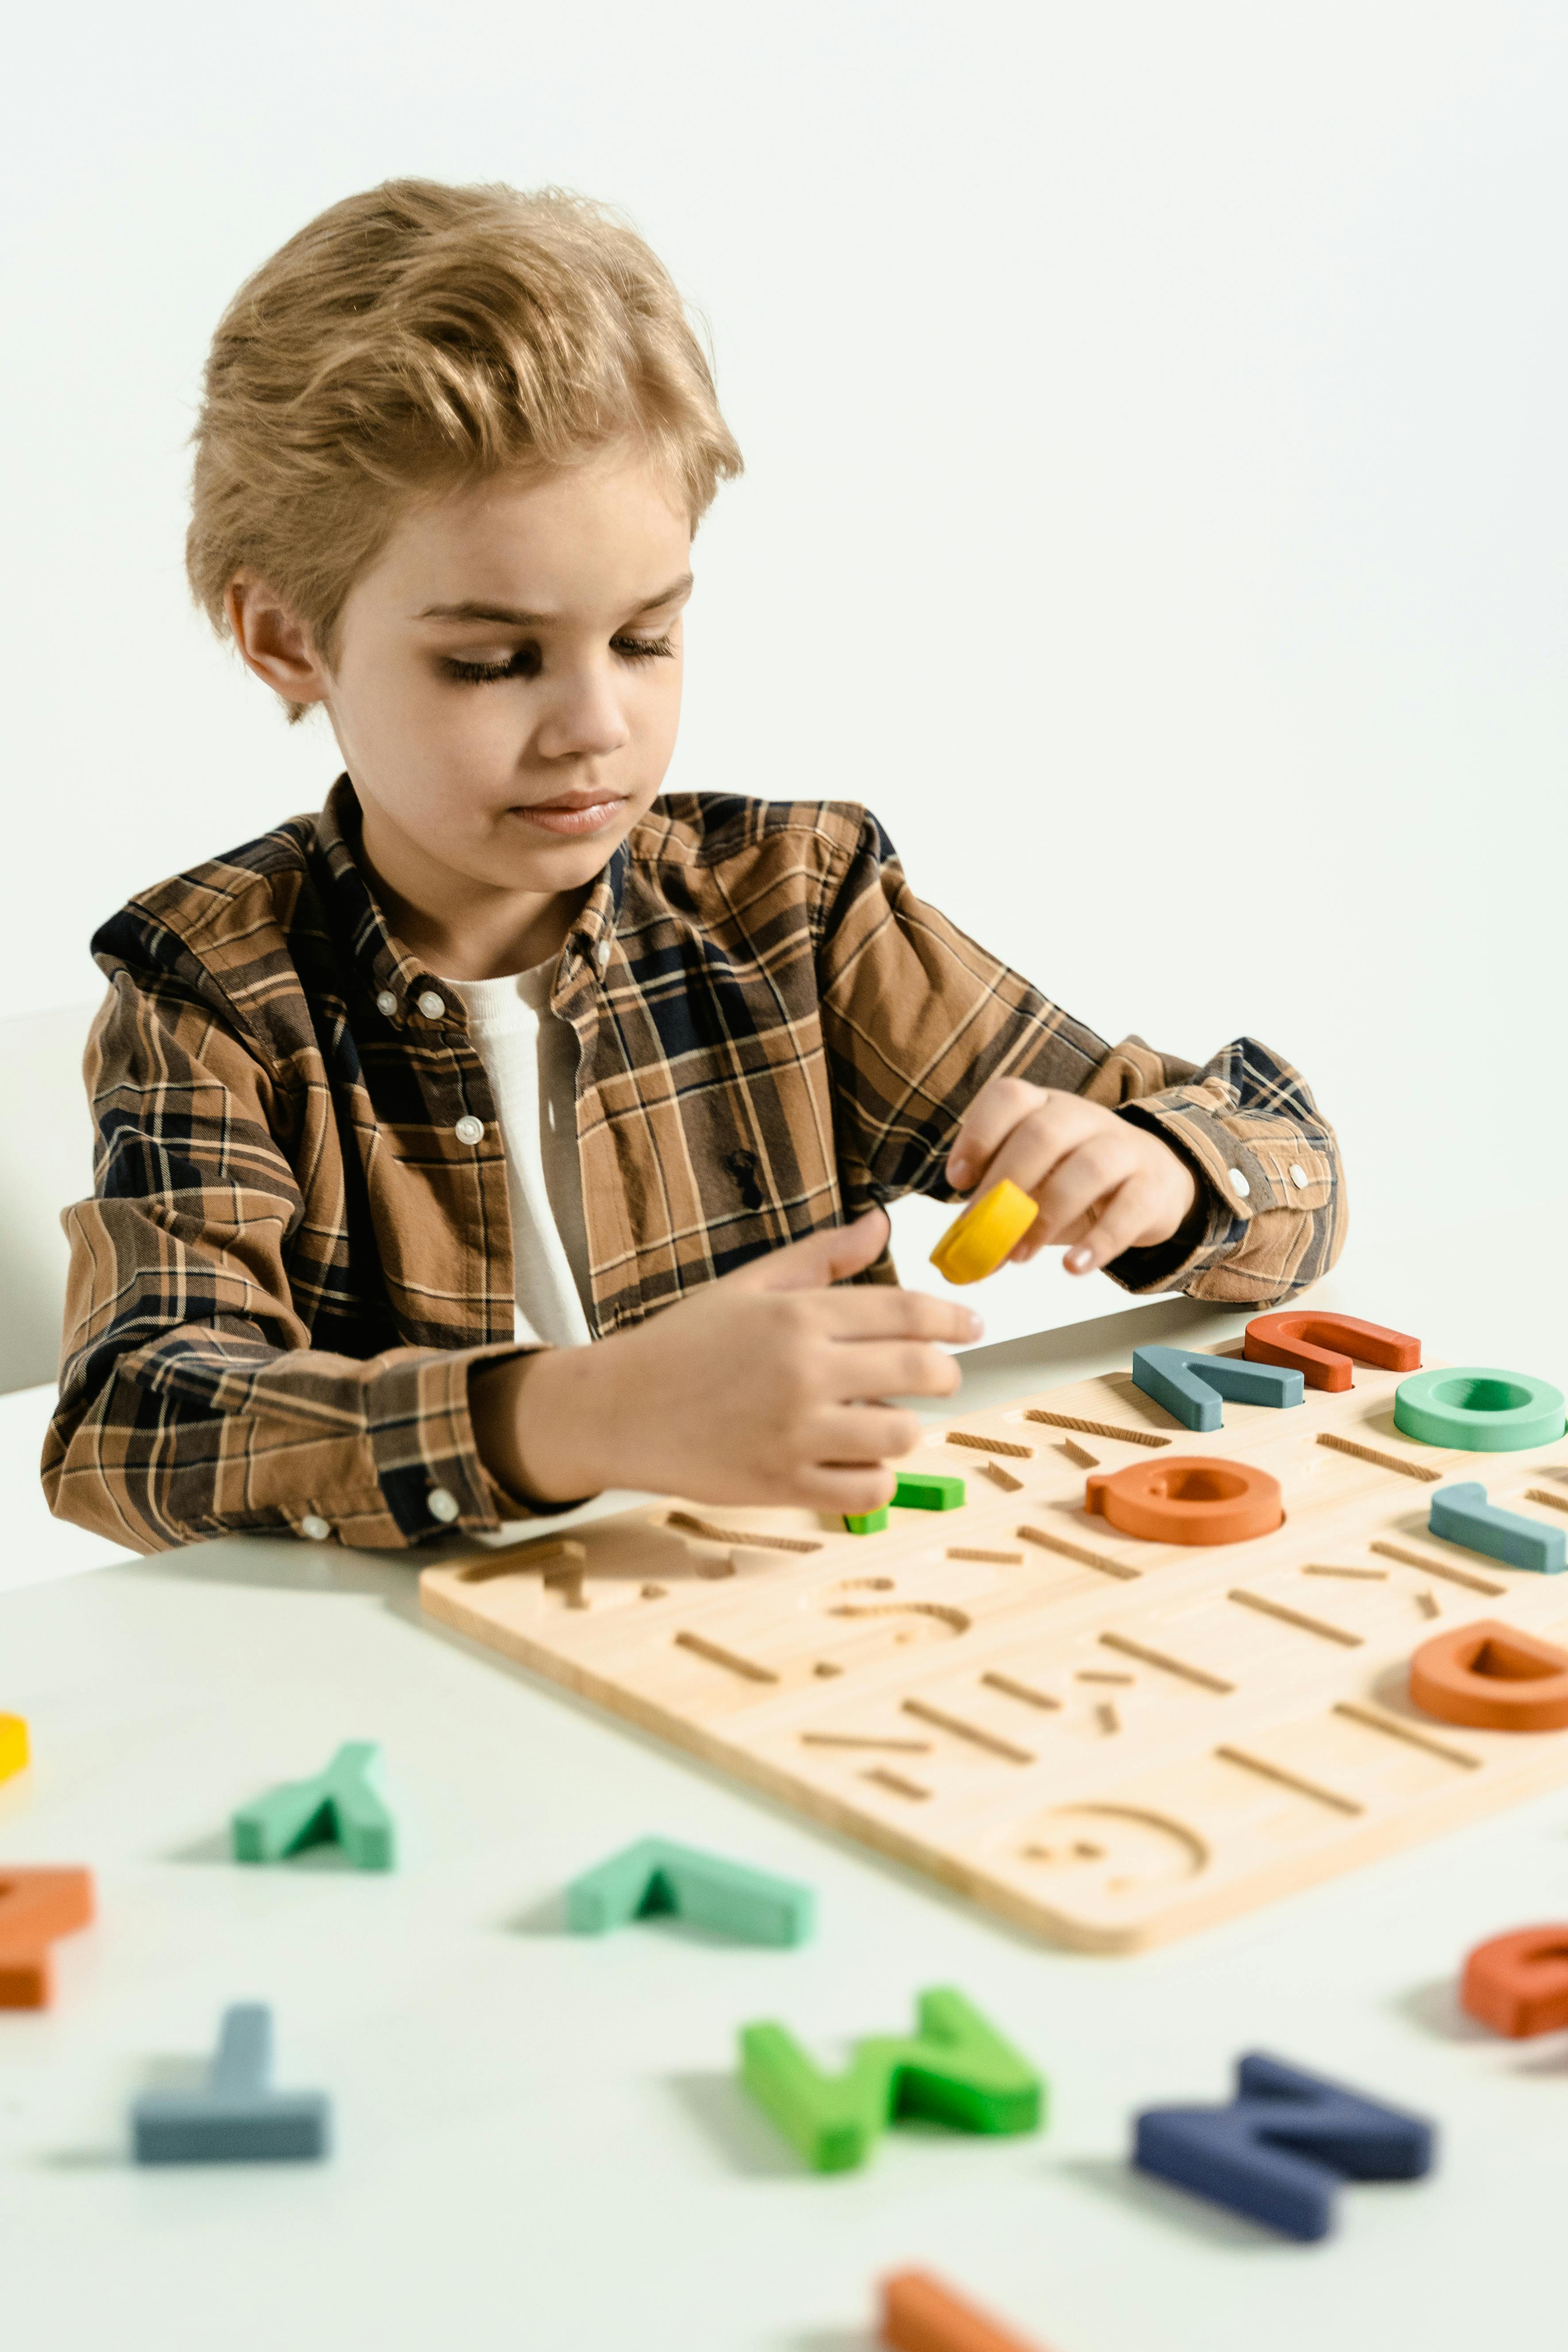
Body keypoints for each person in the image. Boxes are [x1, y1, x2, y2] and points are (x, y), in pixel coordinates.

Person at [43, 180, 1344, 1556]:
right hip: (429, 1693)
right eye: (491, 662)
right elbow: (133, 1425)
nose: (596, 727)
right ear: (287, 640)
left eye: (646, 640)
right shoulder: (216, 988)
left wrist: (1158, 1169)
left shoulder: (793, 909)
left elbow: (1290, 1165)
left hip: (784, 1638)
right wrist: (581, 1416)